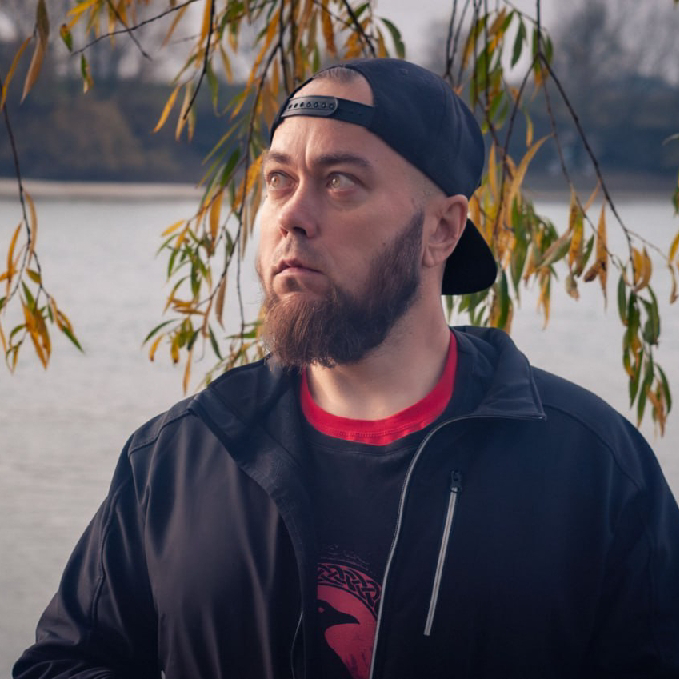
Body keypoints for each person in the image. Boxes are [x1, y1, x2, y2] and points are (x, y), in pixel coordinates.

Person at [13, 58, 679, 679]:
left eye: (340, 182)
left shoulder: (592, 468)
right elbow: (61, 663)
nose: (292, 216)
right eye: (278, 180)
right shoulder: (180, 455)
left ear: (443, 230)